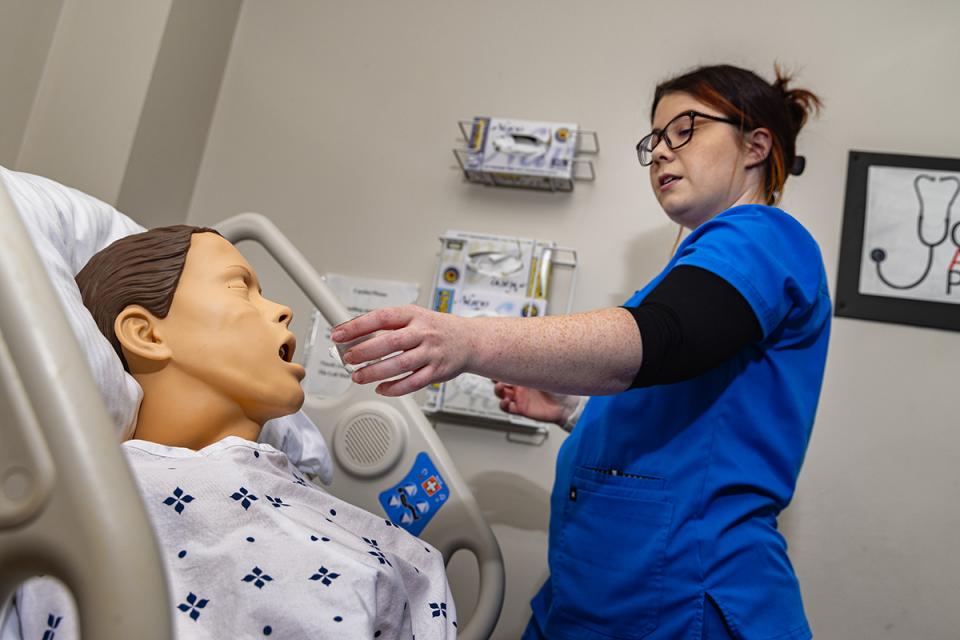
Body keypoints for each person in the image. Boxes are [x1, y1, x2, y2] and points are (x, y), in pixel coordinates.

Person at [332, 64, 829, 640]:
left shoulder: (764, 235)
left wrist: (467, 339)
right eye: (656, 139)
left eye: (685, 129)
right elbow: (693, 423)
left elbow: (661, 342)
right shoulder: (696, 270)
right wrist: (571, 413)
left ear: (756, 144)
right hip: (600, 590)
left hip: (684, 595)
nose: (663, 152)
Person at [15, 226, 456, 640]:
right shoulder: (105, 501)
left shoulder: (273, 481)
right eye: (238, 288)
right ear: (146, 334)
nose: (283, 310)